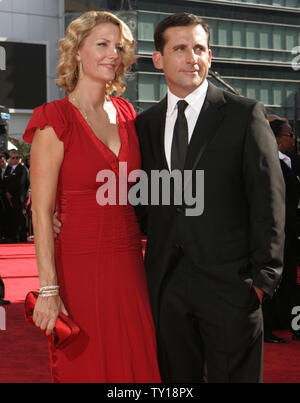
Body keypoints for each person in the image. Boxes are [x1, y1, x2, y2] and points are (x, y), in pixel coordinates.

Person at [135, 13, 285, 383]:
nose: (192, 57)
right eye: (180, 48)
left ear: (210, 55)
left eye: (199, 48)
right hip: (168, 287)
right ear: (158, 59)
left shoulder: (244, 114)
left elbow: (269, 200)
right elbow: (142, 202)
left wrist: (262, 281)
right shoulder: (145, 125)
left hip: (232, 287)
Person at [23, 11, 160, 383]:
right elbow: (41, 212)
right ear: (76, 52)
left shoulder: (128, 114)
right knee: (87, 366)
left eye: (119, 47)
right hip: (77, 263)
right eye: (101, 44)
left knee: (138, 361)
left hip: (129, 258)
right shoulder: (55, 119)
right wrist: (48, 290)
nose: (112, 54)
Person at [263, 119, 300, 342]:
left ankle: (282, 320)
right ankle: (266, 327)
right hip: (274, 231)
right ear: (276, 138)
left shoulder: (289, 161)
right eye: (289, 135)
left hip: (289, 231)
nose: (293, 139)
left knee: (286, 277)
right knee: (271, 278)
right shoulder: (266, 161)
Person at [2, 150, 29, 242]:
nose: (16, 159)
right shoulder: (8, 169)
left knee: (20, 216)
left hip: (18, 197)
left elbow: (21, 184)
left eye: (18, 157)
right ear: (10, 159)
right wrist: (6, 192)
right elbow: (4, 182)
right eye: (13, 158)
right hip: (8, 198)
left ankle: (21, 236)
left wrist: (12, 193)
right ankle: (12, 235)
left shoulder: (22, 169)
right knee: (11, 217)